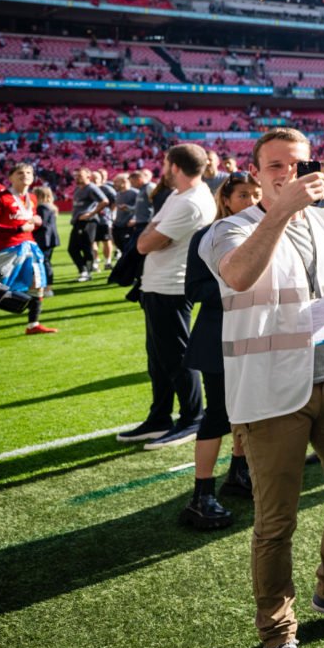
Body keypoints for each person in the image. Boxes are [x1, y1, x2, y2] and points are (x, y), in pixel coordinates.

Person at [204, 127, 324, 648]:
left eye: (299, 162)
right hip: (272, 391)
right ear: (255, 172)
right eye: (276, 164)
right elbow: (238, 276)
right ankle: (278, 637)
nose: (289, 171)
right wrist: (277, 213)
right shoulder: (227, 228)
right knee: (276, 520)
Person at [117, 146, 214, 447]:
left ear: (174, 167)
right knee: (158, 360)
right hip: (155, 285)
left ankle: (192, 418)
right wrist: (149, 235)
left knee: (178, 359)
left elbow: (145, 244)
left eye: (164, 163)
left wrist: (148, 237)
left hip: (171, 288)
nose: (162, 168)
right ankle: (160, 417)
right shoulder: (179, 196)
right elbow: (151, 231)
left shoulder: (193, 201)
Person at [178, 172, 260, 530]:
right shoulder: (206, 235)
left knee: (248, 409)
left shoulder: (263, 234)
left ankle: (238, 473)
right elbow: (193, 290)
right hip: (217, 336)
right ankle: (201, 494)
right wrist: (239, 290)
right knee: (219, 414)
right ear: (225, 199)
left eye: (256, 194)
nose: (251, 201)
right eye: (243, 195)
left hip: (255, 335)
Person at [0, 164, 55, 335]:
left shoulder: (32, 198)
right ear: (10, 177)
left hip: (29, 246)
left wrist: (36, 223)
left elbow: (27, 225)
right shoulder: (1, 198)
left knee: (37, 284)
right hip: (6, 250)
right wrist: (18, 230)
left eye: (29, 172)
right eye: (20, 173)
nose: (25, 175)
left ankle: (33, 325)